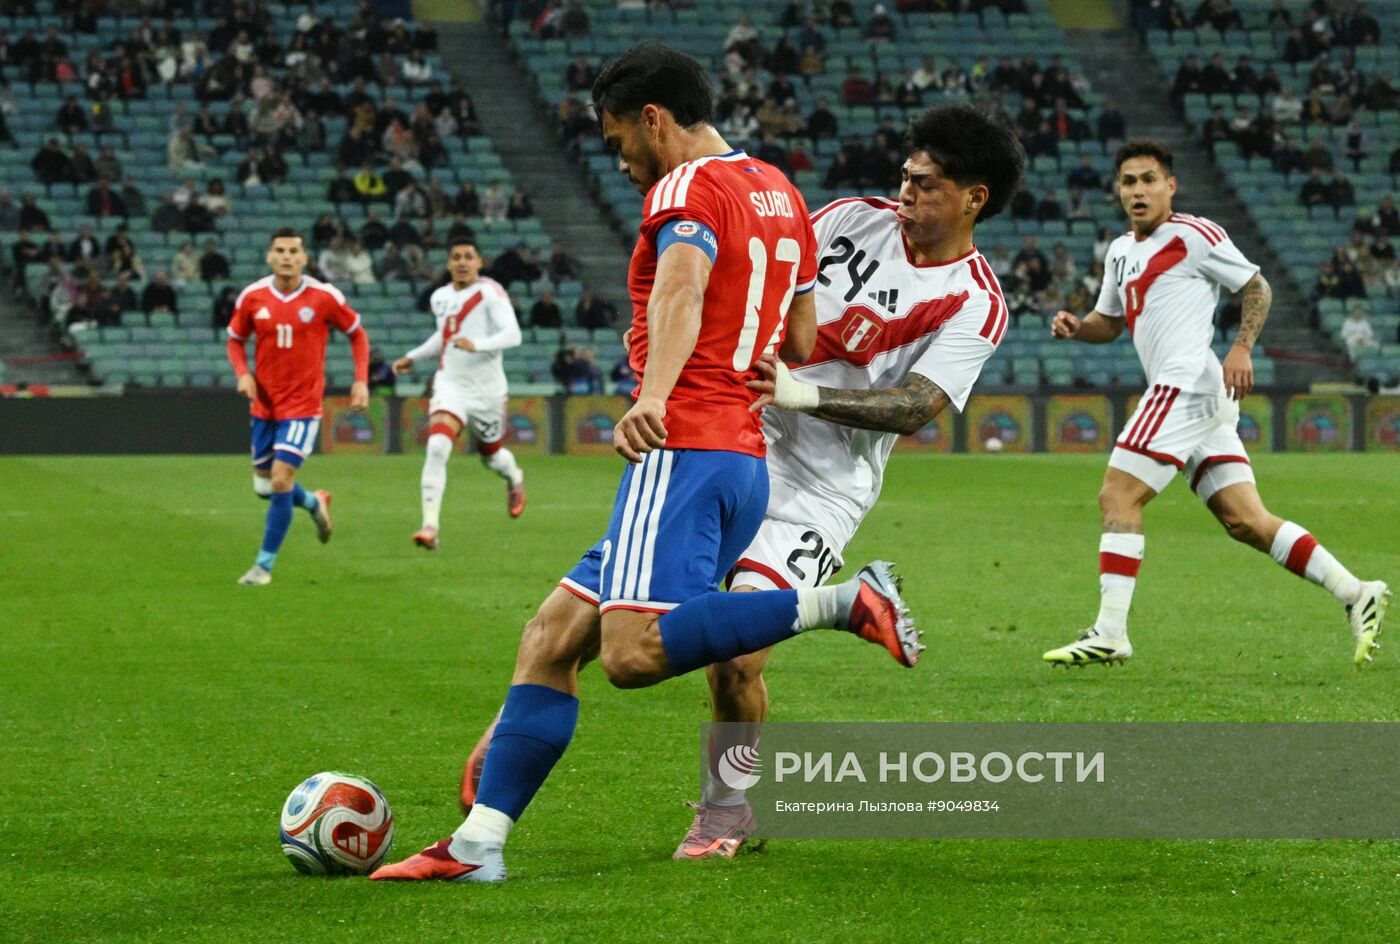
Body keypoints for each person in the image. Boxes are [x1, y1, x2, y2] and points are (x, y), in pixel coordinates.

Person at [371, 43, 917, 886]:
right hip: (742, 455)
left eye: (619, 136)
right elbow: (804, 342)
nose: (620, 158)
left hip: (687, 445)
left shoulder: (685, 187)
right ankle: (478, 845)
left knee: (629, 657)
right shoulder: (780, 189)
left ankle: (843, 602)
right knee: (550, 637)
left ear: (654, 119)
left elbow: (682, 287)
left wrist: (655, 393)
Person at [1043, 141, 1388, 668]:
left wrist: (1242, 347)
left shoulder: (1194, 234)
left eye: (1149, 179)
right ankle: (1355, 591)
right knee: (1245, 520)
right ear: (1118, 189)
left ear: (1170, 186)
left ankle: (1110, 632)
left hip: (1184, 386)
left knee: (1118, 494)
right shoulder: (1118, 252)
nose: (1138, 190)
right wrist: (1076, 328)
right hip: (1194, 395)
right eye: (1129, 181)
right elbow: (1109, 323)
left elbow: (1257, 287)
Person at [224, 228, 370, 587]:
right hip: (264, 407)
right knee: (266, 488)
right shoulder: (252, 297)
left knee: (279, 480)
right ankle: (313, 501)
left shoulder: (324, 297)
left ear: (305, 258)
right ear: (269, 257)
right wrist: (243, 374)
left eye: (294, 251)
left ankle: (263, 566)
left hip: (303, 406)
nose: (287, 257)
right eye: (280, 250)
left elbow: (357, 334)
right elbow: (234, 341)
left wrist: (361, 379)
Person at [392, 238, 527, 549]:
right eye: (456, 257)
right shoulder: (440, 297)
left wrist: (477, 345)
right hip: (450, 383)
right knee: (438, 446)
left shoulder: (489, 292)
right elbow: (445, 335)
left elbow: (513, 334)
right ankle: (430, 526)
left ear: (479, 262)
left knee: (491, 457)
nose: (462, 262)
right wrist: (413, 356)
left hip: (488, 390)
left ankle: (514, 477)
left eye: (468, 256)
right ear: (449, 263)